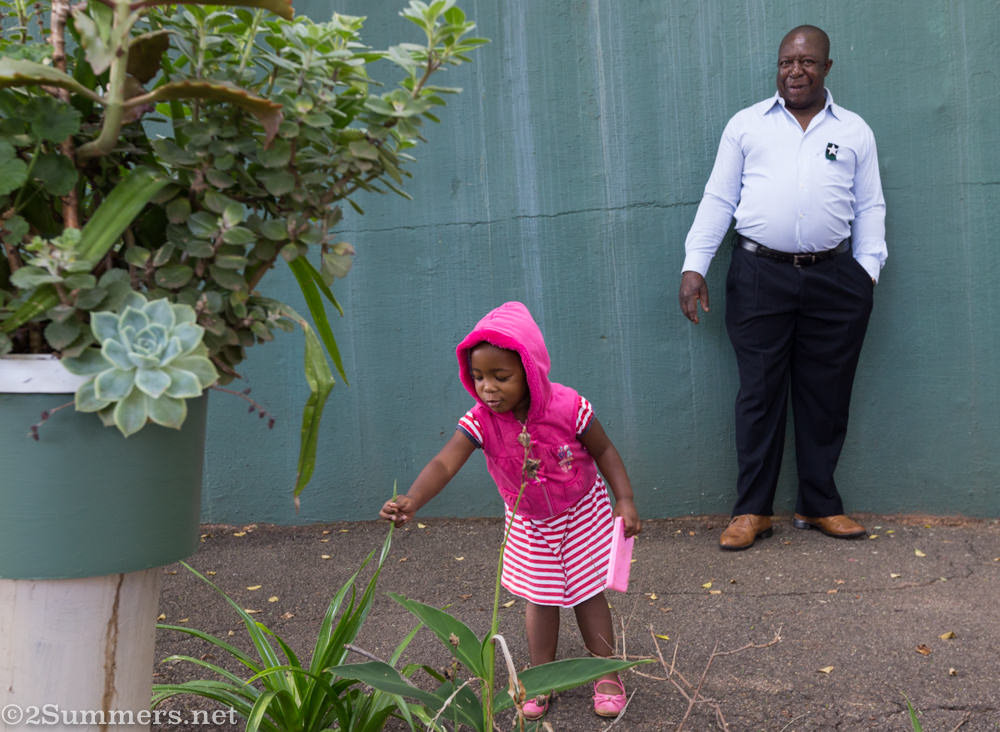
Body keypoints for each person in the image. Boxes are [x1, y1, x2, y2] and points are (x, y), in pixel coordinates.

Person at [678, 25, 886, 551]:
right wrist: (694, 264)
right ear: (778, 68)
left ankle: (819, 506)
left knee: (826, 396)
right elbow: (719, 199)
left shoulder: (855, 130)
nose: (795, 71)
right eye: (786, 62)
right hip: (758, 275)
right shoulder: (747, 126)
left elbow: (870, 207)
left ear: (827, 68)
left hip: (835, 278)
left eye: (808, 62)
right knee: (759, 394)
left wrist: (867, 272)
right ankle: (752, 510)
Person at [380, 301, 641, 719]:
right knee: (540, 597)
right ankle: (541, 678)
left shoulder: (569, 406)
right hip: (529, 520)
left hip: (582, 511)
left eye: (501, 377)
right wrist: (413, 499)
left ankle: (605, 671)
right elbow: (446, 462)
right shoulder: (481, 421)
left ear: (530, 372)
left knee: (587, 593)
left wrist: (625, 500)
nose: (488, 387)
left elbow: (604, 449)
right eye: (479, 377)